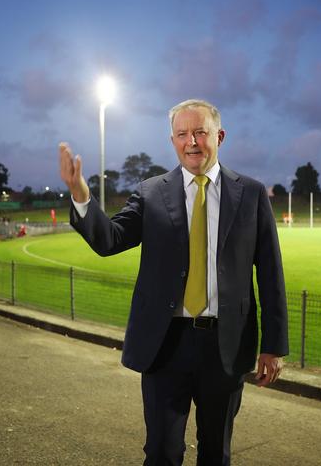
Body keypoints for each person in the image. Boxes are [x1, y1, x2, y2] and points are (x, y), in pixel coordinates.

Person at [59, 99, 288, 465]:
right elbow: (110, 240)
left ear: (220, 136)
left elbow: (271, 275)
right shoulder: (151, 192)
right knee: (162, 452)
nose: (191, 142)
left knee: (216, 452)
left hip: (225, 345)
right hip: (165, 344)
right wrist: (82, 197)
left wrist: (273, 346)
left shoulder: (252, 194)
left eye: (200, 132)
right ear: (173, 140)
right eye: (182, 134)